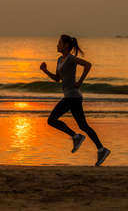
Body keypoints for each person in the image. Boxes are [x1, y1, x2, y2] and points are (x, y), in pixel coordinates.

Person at [40, 34, 110, 166]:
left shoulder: (71, 59)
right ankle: (101, 149)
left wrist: (80, 82)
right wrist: (45, 71)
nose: (57, 45)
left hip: (73, 96)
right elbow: (57, 79)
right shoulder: (60, 60)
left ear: (66, 45)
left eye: (59, 43)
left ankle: (77, 137)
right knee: (83, 125)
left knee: (52, 120)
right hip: (70, 97)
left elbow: (88, 65)